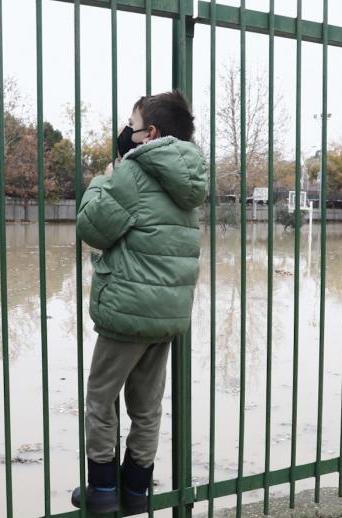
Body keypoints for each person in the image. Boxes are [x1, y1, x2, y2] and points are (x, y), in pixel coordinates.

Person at [72, 90, 207, 515]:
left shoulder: (132, 173)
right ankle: (135, 490)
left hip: (128, 311)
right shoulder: (189, 180)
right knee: (146, 407)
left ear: (149, 134)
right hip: (166, 315)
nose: (125, 135)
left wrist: (103, 179)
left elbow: (93, 229)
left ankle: (104, 492)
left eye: (131, 127)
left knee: (100, 398)